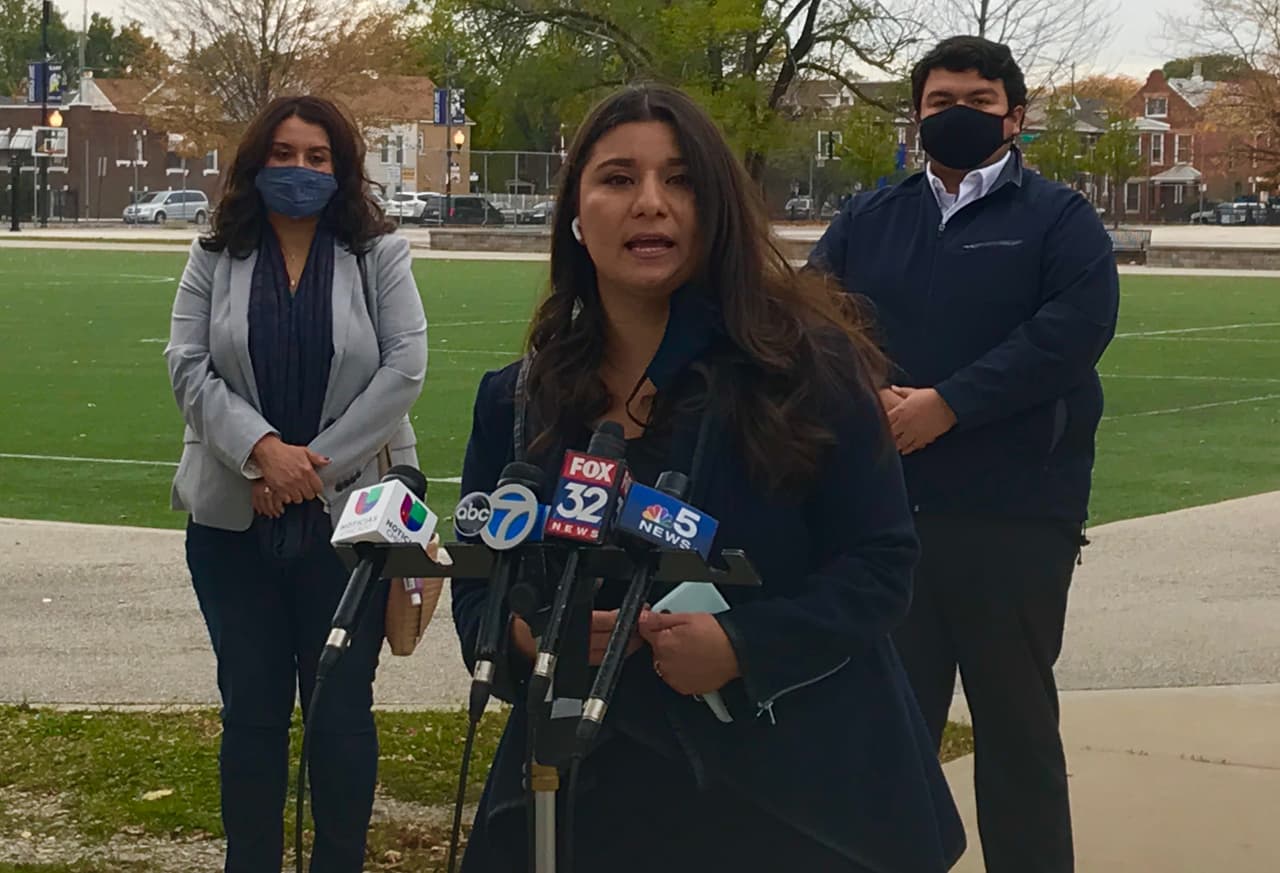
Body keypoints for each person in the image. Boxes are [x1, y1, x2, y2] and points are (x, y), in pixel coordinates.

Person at [452, 83, 964, 872]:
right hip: (587, 801)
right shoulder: (516, 403)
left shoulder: (807, 371)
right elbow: (481, 579)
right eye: (618, 178)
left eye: (681, 179)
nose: (651, 203)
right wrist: (521, 636)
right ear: (577, 214)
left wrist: (742, 644)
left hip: (793, 798)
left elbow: (881, 565)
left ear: (717, 208)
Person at [810, 36, 1121, 873]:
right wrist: (867, 397)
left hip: (1015, 518)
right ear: (916, 115)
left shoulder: (1060, 219)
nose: (957, 116)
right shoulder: (869, 218)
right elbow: (812, 321)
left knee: (1016, 732)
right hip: (888, 517)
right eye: (941, 101)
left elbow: (1071, 334)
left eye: (978, 102)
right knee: (892, 734)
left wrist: (948, 406)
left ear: (1015, 117)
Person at [164, 95, 427, 872]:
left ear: (342, 168)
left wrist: (310, 469)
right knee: (251, 713)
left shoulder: (379, 252)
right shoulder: (216, 252)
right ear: (256, 162)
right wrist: (261, 451)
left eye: (318, 157)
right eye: (283, 153)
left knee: (341, 713)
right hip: (232, 521)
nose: (300, 170)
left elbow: (403, 368)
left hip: (348, 527)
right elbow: (187, 365)